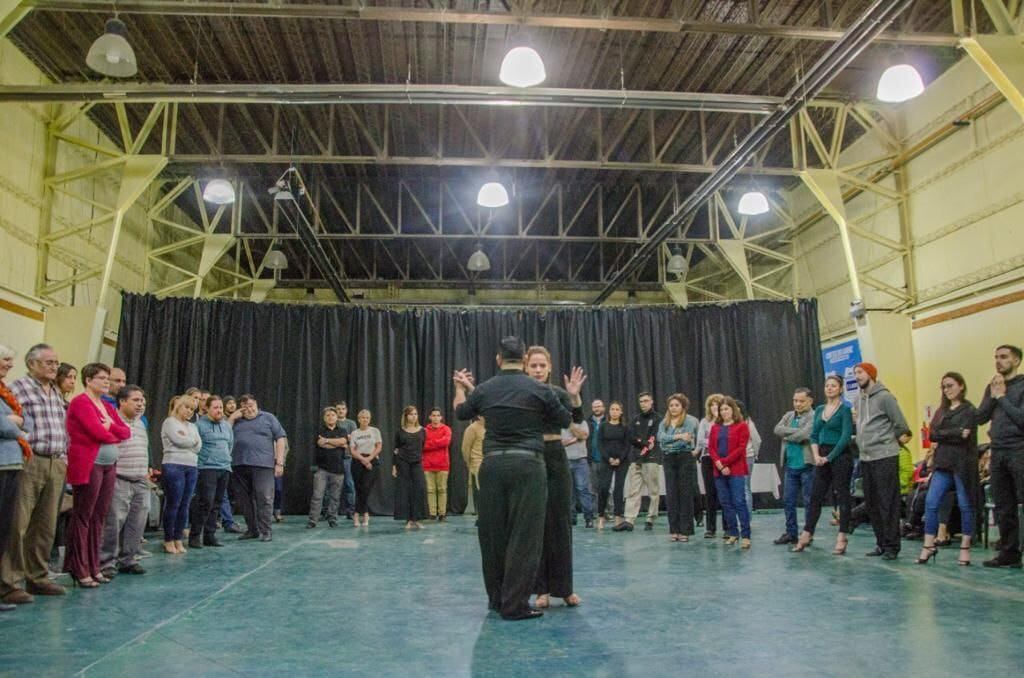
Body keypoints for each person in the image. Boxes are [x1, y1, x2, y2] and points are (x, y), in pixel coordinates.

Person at [452, 336, 581, 621]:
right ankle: (516, 605)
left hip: (493, 465)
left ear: (498, 359)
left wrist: (460, 389)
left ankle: (496, 601)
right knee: (525, 536)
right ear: (524, 361)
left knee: (493, 535)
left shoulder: (486, 389)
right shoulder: (538, 389)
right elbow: (565, 420)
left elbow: (461, 412)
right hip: (528, 465)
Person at [3, 344, 68, 605]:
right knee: (18, 523)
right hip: (32, 460)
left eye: (56, 362)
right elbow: (15, 421)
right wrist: (23, 435)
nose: (54, 367)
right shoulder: (19, 387)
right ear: (32, 364)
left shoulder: (55, 391)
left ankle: (38, 576)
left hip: (56, 461)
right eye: (48, 362)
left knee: (45, 523)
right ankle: (9, 581)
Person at [525, 345, 585, 610]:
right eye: (533, 365)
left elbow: (579, 424)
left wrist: (575, 398)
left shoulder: (559, 394)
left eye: (542, 365)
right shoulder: (521, 394)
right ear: (526, 367)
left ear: (549, 367)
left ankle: (566, 589)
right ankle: (542, 590)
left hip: (556, 456)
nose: (538, 370)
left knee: (561, 521)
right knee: (536, 524)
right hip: (530, 457)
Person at [64, 363, 132, 587]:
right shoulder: (80, 402)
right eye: (102, 378)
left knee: (99, 517)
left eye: (107, 378)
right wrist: (112, 432)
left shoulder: (106, 406)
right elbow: (97, 432)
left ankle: (94, 565)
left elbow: (126, 430)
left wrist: (111, 426)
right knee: (83, 515)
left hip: (109, 465)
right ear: (89, 380)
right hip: (89, 464)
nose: (106, 382)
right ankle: (79, 567)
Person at [917, 373, 979, 566]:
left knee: (965, 505)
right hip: (942, 464)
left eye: (950, 385)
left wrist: (948, 434)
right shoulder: (941, 411)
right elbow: (933, 434)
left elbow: (966, 434)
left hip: (962, 464)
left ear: (961, 386)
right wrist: (955, 432)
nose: (947, 390)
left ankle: (965, 548)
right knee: (931, 502)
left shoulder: (969, 410)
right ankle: (928, 546)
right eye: (944, 387)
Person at [854, 362, 912, 560]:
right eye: (855, 373)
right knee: (872, 503)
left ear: (870, 374)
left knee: (888, 502)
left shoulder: (885, 397)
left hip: (885, 456)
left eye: (860, 372)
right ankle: (880, 543)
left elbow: (901, 425)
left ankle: (892, 546)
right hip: (866, 457)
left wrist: (884, 439)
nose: (857, 376)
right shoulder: (859, 400)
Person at [794, 375, 854, 555]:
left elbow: (845, 437)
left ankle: (842, 536)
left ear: (840, 389)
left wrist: (830, 457)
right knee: (815, 496)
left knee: (842, 496)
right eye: (827, 385)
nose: (829, 389)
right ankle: (806, 533)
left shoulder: (844, 411)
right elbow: (814, 434)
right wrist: (817, 455)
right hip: (821, 455)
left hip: (840, 456)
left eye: (833, 386)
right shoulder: (820, 409)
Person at [977, 345, 1024, 568]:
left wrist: (1002, 398)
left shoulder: (1022, 386)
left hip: (1019, 450)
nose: (998, 361)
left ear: (1016, 361)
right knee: (1003, 506)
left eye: (1004, 357)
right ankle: (1009, 553)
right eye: (996, 357)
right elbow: (981, 416)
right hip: (998, 451)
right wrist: (992, 395)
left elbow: (1021, 420)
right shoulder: (994, 387)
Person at [99, 386, 150, 577]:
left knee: (137, 522)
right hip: (119, 477)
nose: (140, 404)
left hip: (140, 479)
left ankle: (128, 559)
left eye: (142, 401)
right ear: (122, 401)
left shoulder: (141, 423)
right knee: (113, 522)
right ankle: (106, 562)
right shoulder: (112, 420)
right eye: (136, 400)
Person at [0, 344, 32, 612]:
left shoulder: (7, 393)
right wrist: (15, 423)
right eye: (5, 359)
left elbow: (26, 422)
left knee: (4, 529)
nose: (9, 364)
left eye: (11, 360)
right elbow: (4, 426)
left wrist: (15, 421)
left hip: (12, 463)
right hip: (2, 464)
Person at [230, 395, 288, 542]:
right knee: (244, 500)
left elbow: (280, 438)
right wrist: (231, 418)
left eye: (251, 405)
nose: (248, 409)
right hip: (238, 464)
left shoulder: (268, 418)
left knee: (264, 498)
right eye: (244, 406)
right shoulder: (236, 420)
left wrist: (279, 462)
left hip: (263, 465)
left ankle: (266, 531)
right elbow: (224, 433)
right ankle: (252, 530)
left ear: (256, 404)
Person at [772, 388, 815, 546]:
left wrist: (788, 434)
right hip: (790, 466)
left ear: (810, 401)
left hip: (807, 465)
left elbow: (806, 435)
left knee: (809, 501)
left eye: (801, 401)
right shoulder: (789, 415)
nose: (797, 404)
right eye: (795, 400)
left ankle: (808, 534)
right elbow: (777, 429)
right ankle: (791, 533)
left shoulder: (814, 415)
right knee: (788, 501)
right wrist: (796, 432)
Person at [709, 396, 752, 549]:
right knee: (726, 503)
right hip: (719, 470)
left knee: (739, 501)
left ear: (733, 409)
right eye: (721, 409)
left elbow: (741, 449)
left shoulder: (742, 426)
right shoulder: (715, 428)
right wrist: (719, 465)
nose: (724, 412)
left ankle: (746, 535)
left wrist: (725, 462)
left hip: (736, 469)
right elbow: (711, 448)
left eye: (726, 409)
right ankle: (733, 533)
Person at [191, 395, 234, 548]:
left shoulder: (227, 426)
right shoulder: (199, 425)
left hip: (224, 468)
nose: (219, 410)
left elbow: (230, 444)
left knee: (217, 503)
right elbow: (195, 447)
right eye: (215, 407)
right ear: (207, 409)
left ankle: (210, 536)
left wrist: (226, 459)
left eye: (220, 407)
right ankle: (195, 536)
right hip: (207, 468)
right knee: (205, 502)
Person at [161, 395, 201, 554]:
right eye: (187, 407)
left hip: (191, 466)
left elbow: (199, 447)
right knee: (174, 503)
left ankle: (178, 538)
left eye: (192, 409)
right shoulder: (169, 422)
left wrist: (189, 440)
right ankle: (168, 539)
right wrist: (191, 441)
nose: (189, 411)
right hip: (173, 465)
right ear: (179, 406)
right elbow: (179, 440)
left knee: (185, 505)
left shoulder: (193, 427)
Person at [616, 392, 662, 532]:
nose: (643, 403)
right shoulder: (635, 419)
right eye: (641, 401)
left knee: (653, 491)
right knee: (633, 490)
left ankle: (650, 519)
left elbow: (653, 440)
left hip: (651, 459)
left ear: (651, 401)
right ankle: (629, 520)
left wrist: (642, 445)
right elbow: (630, 437)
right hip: (636, 459)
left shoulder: (658, 419)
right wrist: (641, 444)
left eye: (646, 401)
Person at [658, 393, 699, 542]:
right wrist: (677, 436)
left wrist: (673, 441)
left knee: (685, 493)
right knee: (671, 494)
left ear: (682, 407)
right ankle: (674, 529)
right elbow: (660, 439)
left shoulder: (689, 421)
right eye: (671, 406)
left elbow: (686, 440)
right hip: (668, 459)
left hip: (684, 458)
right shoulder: (664, 422)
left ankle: (685, 530)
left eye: (676, 405)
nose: (673, 408)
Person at [307, 406, 347, 529]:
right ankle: (313, 520)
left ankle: (332, 519)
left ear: (337, 418)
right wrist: (336, 443)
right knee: (317, 496)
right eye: (328, 415)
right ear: (324, 418)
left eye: (333, 415)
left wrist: (327, 441)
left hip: (338, 469)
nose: (330, 417)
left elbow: (343, 442)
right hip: (322, 469)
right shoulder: (319, 430)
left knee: (335, 497)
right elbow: (321, 444)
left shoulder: (342, 430)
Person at [393, 406, 428, 530]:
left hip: (417, 462)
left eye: (416, 414)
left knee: (419, 489)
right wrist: (394, 466)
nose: (414, 416)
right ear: (406, 416)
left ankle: (417, 518)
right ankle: (408, 519)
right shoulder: (400, 431)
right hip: (403, 462)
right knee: (406, 490)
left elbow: (422, 446)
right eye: (411, 414)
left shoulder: (423, 430)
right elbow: (396, 449)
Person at [598, 401, 630, 530]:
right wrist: (609, 458)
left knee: (618, 489)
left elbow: (627, 445)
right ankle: (601, 517)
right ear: (609, 411)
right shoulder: (603, 426)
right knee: (604, 488)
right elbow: (599, 444)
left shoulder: (625, 427)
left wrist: (620, 459)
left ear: (621, 412)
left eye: (617, 409)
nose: (615, 411)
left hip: (622, 462)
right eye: (612, 409)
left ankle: (618, 516)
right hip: (606, 461)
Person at [697, 394, 725, 539]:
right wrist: (715, 443)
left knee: (725, 493)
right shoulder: (704, 422)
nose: (715, 407)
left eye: (718, 404)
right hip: (708, 459)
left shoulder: (727, 422)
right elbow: (701, 440)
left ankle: (728, 528)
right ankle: (710, 528)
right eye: (712, 404)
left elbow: (728, 438)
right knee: (710, 494)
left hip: (724, 459)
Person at [349, 409, 382, 527]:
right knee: (359, 489)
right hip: (358, 461)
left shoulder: (375, 431)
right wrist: (363, 460)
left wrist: (369, 458)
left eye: (367, 417)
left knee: (366, 488)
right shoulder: (354, 433)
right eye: (363, 417)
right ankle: (365, 513)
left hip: (372, 460)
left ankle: (357, 514)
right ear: (359, 419)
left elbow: (378, 446)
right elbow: (352, 450)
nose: (365, 420)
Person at [423, 407, 453, 521]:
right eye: (433, 415)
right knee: (430, 490)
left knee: (442, 489)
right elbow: (422, 445)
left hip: (443, 464)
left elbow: (446, 442)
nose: (436, 418)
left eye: (438, 415)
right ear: (430, 417)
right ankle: (432, 513)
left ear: (441, 417)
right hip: (427, 464)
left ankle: (442, 513)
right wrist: (437, 443)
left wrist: (430, 443)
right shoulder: (424, 430)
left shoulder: (446, 429)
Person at [564, 420, 593, 528]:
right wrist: (575, 438)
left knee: (583, 489)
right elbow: (560, 442)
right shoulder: (560, 423)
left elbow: (583, 436)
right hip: (565, 460)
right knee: (569, 491)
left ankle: (588, 518)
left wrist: (571, 426)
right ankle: (571, 517)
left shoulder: (582, 422)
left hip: (580, 461)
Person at [736, 400, 762, 515]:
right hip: (733, 459)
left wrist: (753, 453)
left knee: (745, 488)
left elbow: (757, 440)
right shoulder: (729, 423)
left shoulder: (748, 423)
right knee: (739, 488)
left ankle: (747, 518)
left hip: (746, 457)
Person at [334, 401, 358, 520]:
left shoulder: (351, 423)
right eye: (338, 409)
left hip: (347, 457)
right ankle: (329, 511)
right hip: (333, 457)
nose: (341, 411)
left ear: (346, 410)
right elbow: (331, 438)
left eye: (343, 408)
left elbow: (354, 439)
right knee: (331, 485)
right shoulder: (332, 422)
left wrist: (341, 440)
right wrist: (342, 440)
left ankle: (351, 511)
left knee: (349, 484)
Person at [461, 416, 485, 515]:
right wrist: (469, 463)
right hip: (477, 464)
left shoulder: (492, 427)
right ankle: (480, 516)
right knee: (479, 492)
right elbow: (465, 448)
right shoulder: (472, 428)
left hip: (491, 462)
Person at [586, 399, 606, 518]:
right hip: (592, 459)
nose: (596, 409)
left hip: (605, 460)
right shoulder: (587, 423)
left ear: (603, 407)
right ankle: (594, 512)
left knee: (607, 488)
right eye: (594, 407)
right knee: (592, 489)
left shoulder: (609, 421)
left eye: (598, 406)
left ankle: (608, 512)